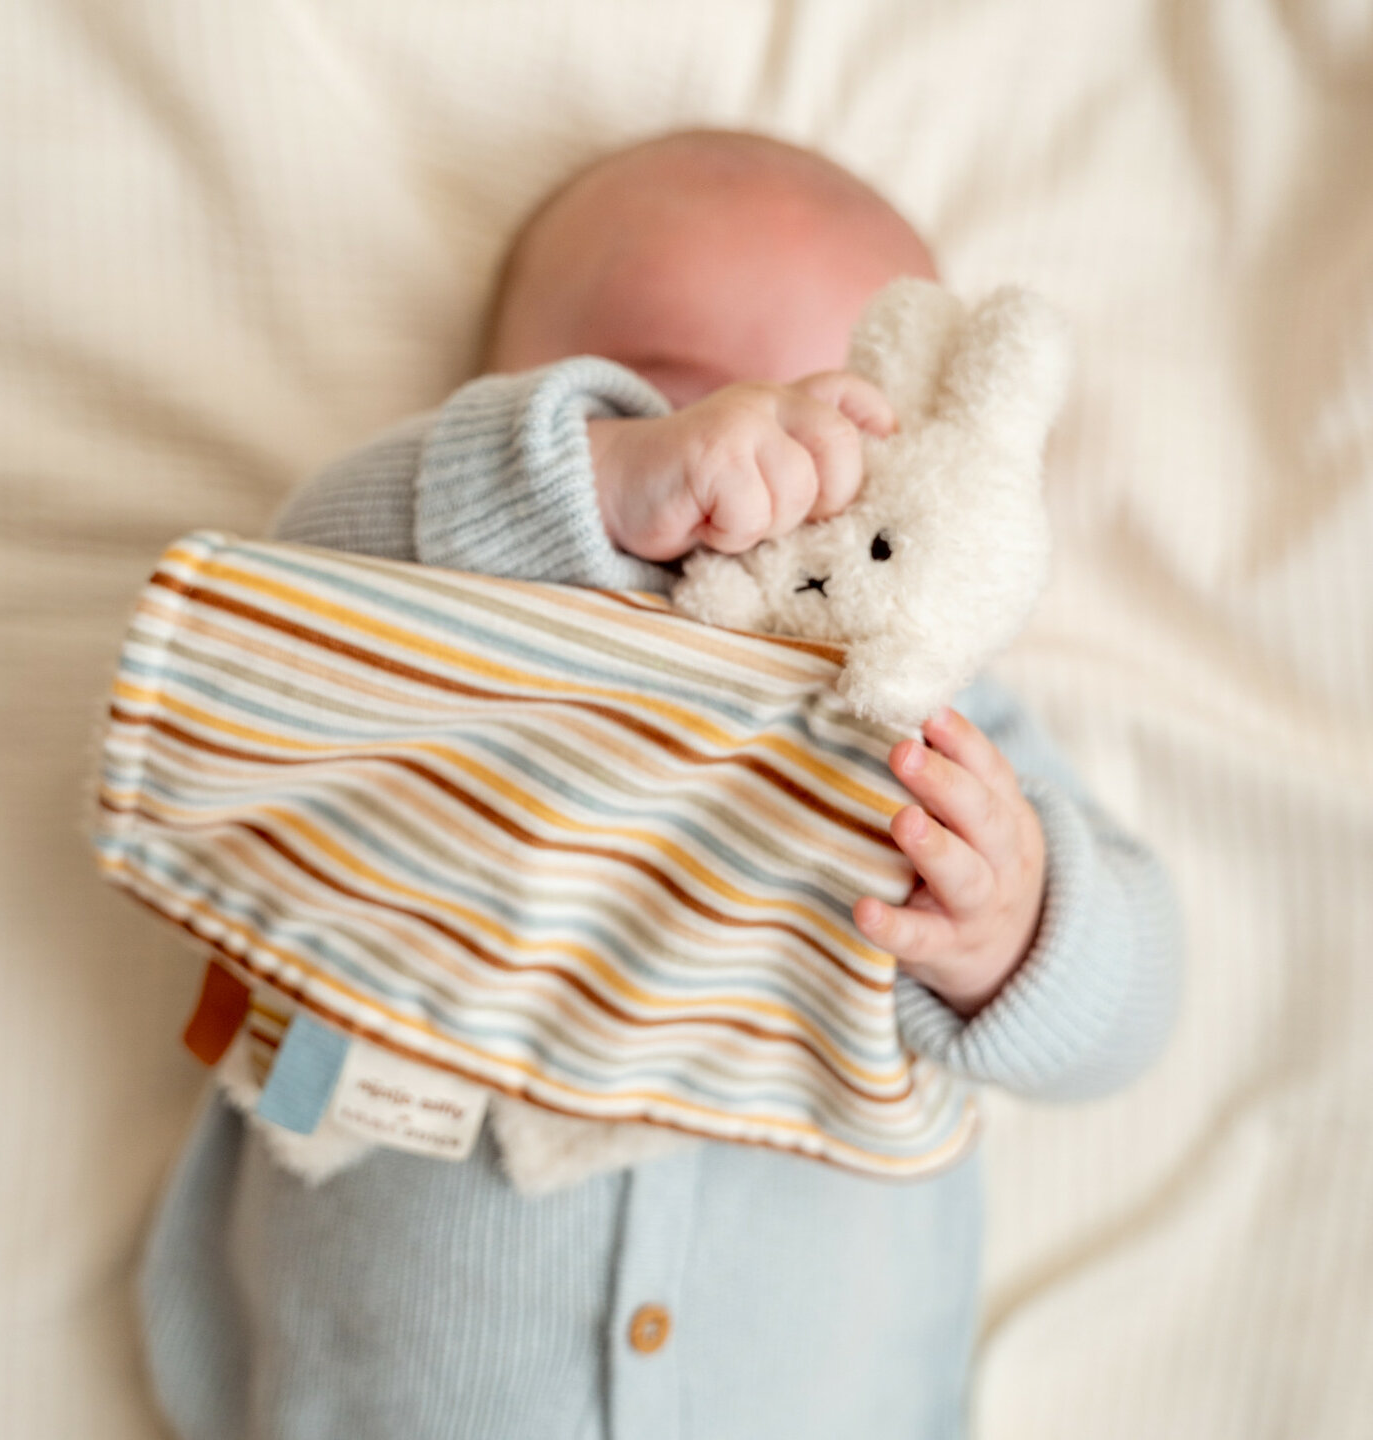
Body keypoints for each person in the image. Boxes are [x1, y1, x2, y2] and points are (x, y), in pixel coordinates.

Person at [140, 129, 1180, 1440]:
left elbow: (1140, 1001)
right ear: (513, 409)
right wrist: (600, 488)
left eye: (854, 414)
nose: (776, 463)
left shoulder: (933, 720)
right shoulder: (454, 615)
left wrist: (1014, 926)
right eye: (665, 396)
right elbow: (281, 603)